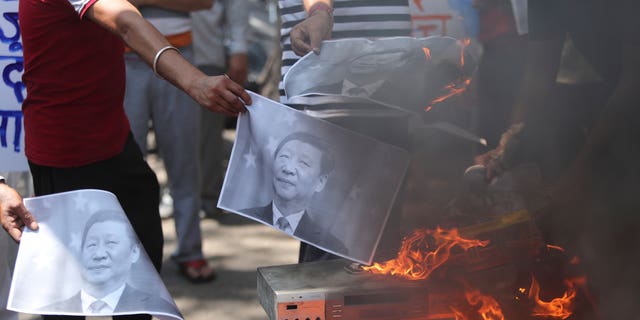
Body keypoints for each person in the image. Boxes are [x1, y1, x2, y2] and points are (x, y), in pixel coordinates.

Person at [0, 0, 251, 319]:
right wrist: (194, 81)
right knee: (66, 301)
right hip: (66, 157)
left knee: (137, 288)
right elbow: (126, 22)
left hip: (114, 143)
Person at [472, 0, 640, 318]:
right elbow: (538, 75)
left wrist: (577, 178)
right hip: (616, 95)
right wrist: (509, 141)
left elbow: (635, 84)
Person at [279, 0, 412, 263]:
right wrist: (321, 12)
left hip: (392, 96)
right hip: (331, 102)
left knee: (381, 250)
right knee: (333, 253)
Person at [122, 1, 224, 284]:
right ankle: (128, 255)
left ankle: (190, 249)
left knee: (184, 161)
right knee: (126, 165)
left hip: (180, 56)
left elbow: (203, 2)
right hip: (123, 59)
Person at [41, 211, 179, 316]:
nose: (99, 254)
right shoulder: (56, 310)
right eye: (92, 244)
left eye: (111, 243)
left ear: (134, 252)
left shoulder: (155, 308)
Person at [241, 132, 348, 258]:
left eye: (303, 163)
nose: (288, 169)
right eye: (284, 157)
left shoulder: (333, 248)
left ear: (320, 182)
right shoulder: (244, 219)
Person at [191, 0, 250, 218]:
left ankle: (208, 197)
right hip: (151, 57)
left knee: (207, 135)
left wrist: (239, 49)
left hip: (206, 55)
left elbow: (236, 6)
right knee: (173, 136)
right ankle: (183, 196)